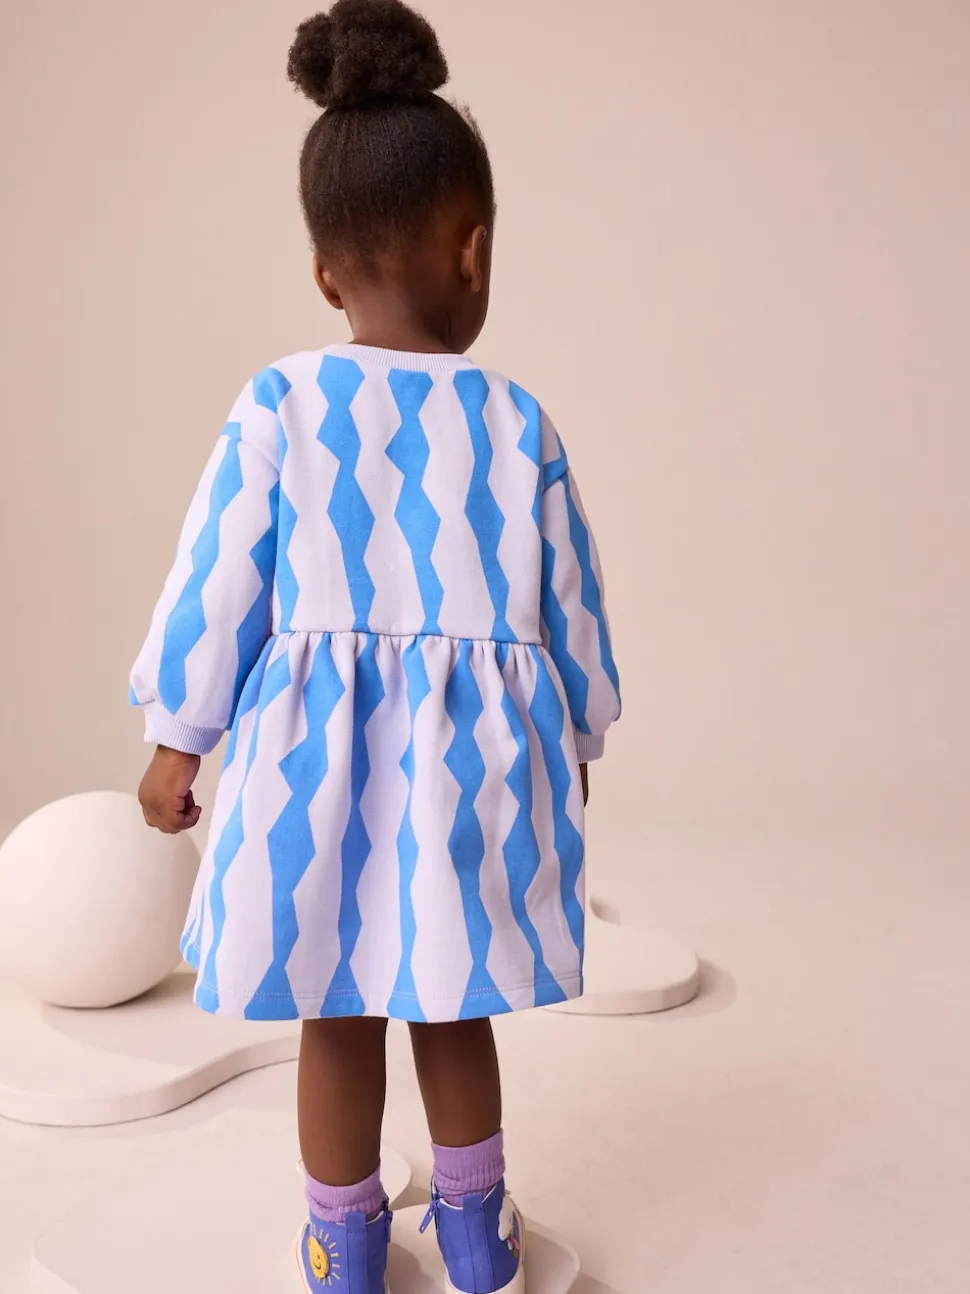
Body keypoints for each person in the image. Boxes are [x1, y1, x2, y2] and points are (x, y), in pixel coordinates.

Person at [131, 2, 620, 1290]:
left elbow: (217, 580)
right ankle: (474, 1231)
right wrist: (575, 737)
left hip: (311, 775)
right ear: (475, 250)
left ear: (323, 273)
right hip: (472, 775)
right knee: (455, 1006)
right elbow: (571, 603)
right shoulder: (517, 422)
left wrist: (179, 737)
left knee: (335, 1008)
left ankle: (343, 1242)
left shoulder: (281, 405)